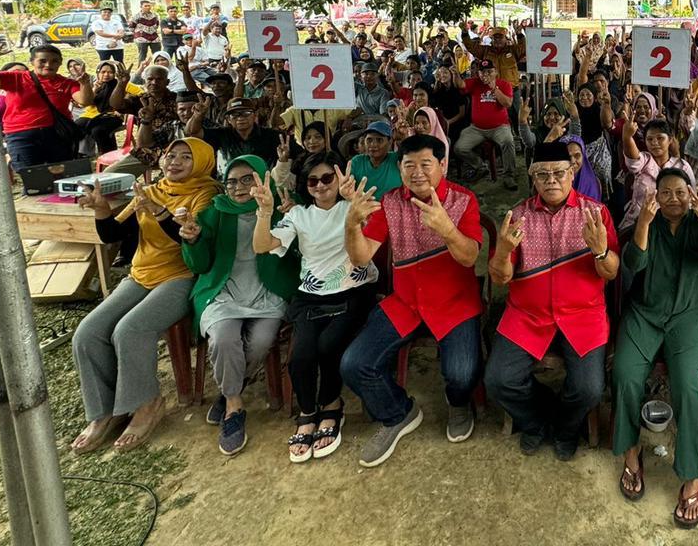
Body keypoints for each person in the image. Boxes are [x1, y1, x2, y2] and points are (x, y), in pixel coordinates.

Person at [341, 135, 484, 466]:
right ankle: (398, 412)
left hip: (454, 303)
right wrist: (351, 224)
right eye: (409, 165)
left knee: (462, 375)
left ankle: (458, 403)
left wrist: (447, 230)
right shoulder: (389, 202)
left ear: (443, 165)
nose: (417, 172)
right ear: (400, 168)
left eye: (425, 164)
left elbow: (469, 257)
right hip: (405, 303)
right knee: (354, 364)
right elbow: (361, 258)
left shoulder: (464, 200)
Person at [71, 138, 221, 453]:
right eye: (171, 155)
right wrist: (101, 210)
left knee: (130, 329)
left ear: (203, 162)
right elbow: (115, 233)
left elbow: (191, 240)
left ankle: (146, 403)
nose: (174, 161)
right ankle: (106, 410)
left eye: (186, 157)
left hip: (182, 276)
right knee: (87, 332)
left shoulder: (207, 194)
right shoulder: (151, 190)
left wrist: (162, 213)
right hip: (141, 274)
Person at [484, 141, 619, 461]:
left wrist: (600, 251)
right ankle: (536, 421)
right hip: (527, 315)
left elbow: (611, 272)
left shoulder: (595, 213)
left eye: (559, 172)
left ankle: (566, 428)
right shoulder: (518, 215)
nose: (551, 180)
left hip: (583, 315)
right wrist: (503, 252)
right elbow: (500, 278)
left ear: (572, 173)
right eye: (542, 174)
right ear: (533, 178)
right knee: (498, 381)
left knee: (589, 389)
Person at [613, 169, 698, 528]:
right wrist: (643, 223)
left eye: (681, 192)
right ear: (655, 196)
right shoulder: (648, 222)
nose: (674, 199)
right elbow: (633, 264)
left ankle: (693, 474)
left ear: (691, 195)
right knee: (625, 375)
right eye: (666, 193)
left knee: (687, 388)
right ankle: (631, 452)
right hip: (644, 315)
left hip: (688, 319)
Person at [253, 153, 378, 463]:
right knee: (300, 356)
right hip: (311, 295)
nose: (320, 185)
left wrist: (353, 201)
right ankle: (308, 411)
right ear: (305, 185)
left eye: (327, 178)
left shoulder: (354, 205)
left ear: (339, 178)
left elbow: (373, 229)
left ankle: (332, 405)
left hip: (354, 290)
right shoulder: (299, 215)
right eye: (312, 180)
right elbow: (263, 245)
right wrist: (265, 212)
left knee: (329, 345)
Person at [179, 155, 298, 455]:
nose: (239, 187)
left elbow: (298, 252)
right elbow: (200, 265)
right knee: (223, 338)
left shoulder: (281, 206)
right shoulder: (214, 212)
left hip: (267, 291)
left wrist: (292, 217)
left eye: (247, 179)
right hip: (224, 291)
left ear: (262, 177)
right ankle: (233, 405)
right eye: (231, 182)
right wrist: (192, 241)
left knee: (261, 341)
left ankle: (230, 386)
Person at [0, 43, 92, 167]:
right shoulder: (16, 78)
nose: (48, 65)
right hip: (21, 136)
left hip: (57, 134)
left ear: (60, 63)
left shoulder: (67, 83)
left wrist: (85, 83)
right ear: (32, 62)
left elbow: (85, 100)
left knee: (61, 173)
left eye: (54, 61)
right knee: (30, 175)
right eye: (42, 61)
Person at [452, 59, 518, 190]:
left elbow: (507, 104)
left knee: (508, 142)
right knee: (459, 148)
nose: (485, 75)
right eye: (482, 72)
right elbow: (460, 85)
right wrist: (455, 74)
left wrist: (494, 89)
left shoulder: (504, 84)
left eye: (489, 71)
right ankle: (480, 166)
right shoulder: (475, 82)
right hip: (476, 128)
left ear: (496, 72)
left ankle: (509, 175)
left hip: (500, 127)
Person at [188, 97, 280, 170]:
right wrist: (198, 116)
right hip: (230, 183)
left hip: (264, 183)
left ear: (255, 115)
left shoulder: (272, 136)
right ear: (228, 119)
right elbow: (193, 132)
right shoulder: (221, 135)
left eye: (246, 113)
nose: (240, 118)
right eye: (234, 115)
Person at [349, 120, 402, 198]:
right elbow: (349, 188)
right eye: (369, 140)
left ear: (390, 142)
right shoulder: (357, 162)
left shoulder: (397, 159)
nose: (373, 144)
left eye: (379, 140)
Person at [130, 0, 161, 65]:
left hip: (154, 37)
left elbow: (157, 25)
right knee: (142, 56)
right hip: (142, 38)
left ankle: (159, 68)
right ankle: (141, 70)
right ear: (141, 6)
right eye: (145, 6)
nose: (148, 7)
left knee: (158, 54)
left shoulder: (155, 15)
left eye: (149, 6)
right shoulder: (136, 16)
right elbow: (131, 27)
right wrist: (138, 34)